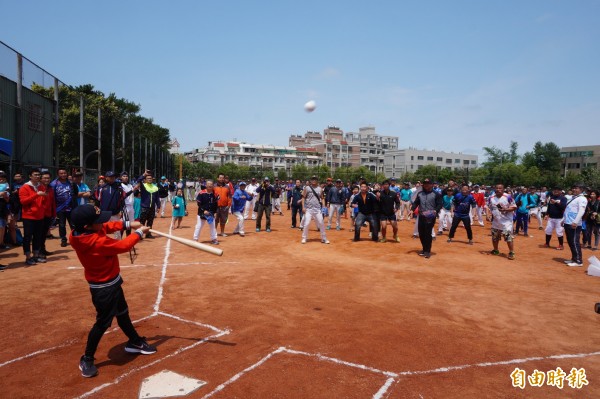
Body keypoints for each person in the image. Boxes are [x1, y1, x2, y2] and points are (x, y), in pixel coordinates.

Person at [69, 204, 156, 378]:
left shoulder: (78, 233)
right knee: (102, 323)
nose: (103, 223)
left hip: (112, 283)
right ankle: (87, 358)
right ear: (87, 226)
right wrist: (139, 233)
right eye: (98, 221)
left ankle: (135, 342)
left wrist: (127, 225)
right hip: (104, 289)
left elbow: (106, 226)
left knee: (123, 313)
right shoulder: (97, 242)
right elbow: (123, 246)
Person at [19, 169, 48, 265]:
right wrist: (36, 195)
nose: (37, 176)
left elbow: (44, 200)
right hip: (28, 216)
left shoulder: (41, 186)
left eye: (39, 175)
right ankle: (28, 257)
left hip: (40, 216)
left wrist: (42, 208)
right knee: (27, 237)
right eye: (35, 175)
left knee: (37, 237)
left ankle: (36, 255)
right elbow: (23, 201)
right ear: (30, 176)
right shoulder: (25, 187)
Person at [411, 178, 442, 258]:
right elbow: (416, 203)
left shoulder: (436, 194)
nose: (426, 185)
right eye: (425, 183)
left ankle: (427, 251)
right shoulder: (420, 194)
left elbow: (439, 204)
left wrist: (436, 211)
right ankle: (424, 249)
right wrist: (412, 210)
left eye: (428, 183)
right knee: (421, 233)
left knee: (428, 233)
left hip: (430, 216)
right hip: (421, 215)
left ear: (431, 184)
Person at [488, 183, 517, 260]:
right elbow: (490, 207)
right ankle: (496, 250)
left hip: (506, 221)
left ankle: (511, 252)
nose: (498, 189)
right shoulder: (491, 198)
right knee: (494, 236)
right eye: (497, 188)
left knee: (507, 236)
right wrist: (490, 215)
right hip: (496, 221)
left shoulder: (508, 197)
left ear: (503, 189)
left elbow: (514, 207)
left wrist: (505, 209)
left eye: (500, 188)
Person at [563, 184, 588, 267]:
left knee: (574, 242)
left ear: (581, 189)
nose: (574, 190)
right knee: (570, 242)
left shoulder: (582, 198)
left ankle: (578, 261)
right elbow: (569, 210)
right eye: (573, 188)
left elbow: (581, 211)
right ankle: (574, 258)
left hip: (574, 224)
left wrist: (576, 222)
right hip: (568, 222)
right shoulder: (574, 198)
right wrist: (564, 220)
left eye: (576, 188)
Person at [300, 176, 329, 244]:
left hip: (317, 209)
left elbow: (322, 198)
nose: (314, 180)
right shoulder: (307, 188)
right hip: (308, 209)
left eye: (315, 179)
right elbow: (303, 198)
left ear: (317, 180)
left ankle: (324, 238)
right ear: (310, 180)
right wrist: (303, 207)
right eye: (312, 179)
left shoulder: (320, 189)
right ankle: (304, 238)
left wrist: (324, 206)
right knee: (306, 223)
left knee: (321, 223)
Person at [50, 168, 75, 247]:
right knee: (61, 225)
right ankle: (63, 239)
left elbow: (76, 193)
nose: (63, 175)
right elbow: (52, 196)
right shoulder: (54, 184)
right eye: (61, 173)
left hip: (70, 207)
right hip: (60, 208)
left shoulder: (71, 183)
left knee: (73, 224)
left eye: (64, 173)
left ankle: (75, 238)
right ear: (58, 174)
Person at [136, 171, 161, 238]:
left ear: (152, 179)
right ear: (145, 179)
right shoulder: (143, 186)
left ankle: (148, 234)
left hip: (152, 208)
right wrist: (144, 174)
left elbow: (157, 198)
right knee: (142, 222)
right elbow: (138, 180)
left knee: (150, 222)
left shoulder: (155, 187)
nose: (150, 179)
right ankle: (140, 235)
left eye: (151, 178)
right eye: (148, 178)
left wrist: (158, 206)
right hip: (144, 207)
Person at [193, 180, 219, 245]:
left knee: (212, 226)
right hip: (202, 213)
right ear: (206, 185)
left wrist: (215, 212)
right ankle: (195, 239)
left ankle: (214, 239)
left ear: (213, 185)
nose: (210, 185)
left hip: (211, 213)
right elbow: (199, 204)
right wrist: (203, 210)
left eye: (211, 184)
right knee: (199, 226)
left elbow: (216, 204)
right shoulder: (201, 193)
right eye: (208, 184)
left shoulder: (215, 194)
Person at [39, 171, 56, 259]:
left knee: (44, 233)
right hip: (40, 215)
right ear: (41, 179)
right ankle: (38, 251)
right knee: (39, 234)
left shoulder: (50, 189)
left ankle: (43, 249)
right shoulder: (38, 188)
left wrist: (53, 213)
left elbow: (52, 202)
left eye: (48, 178)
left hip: (48, 214)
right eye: (45, 178)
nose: (47, 179)